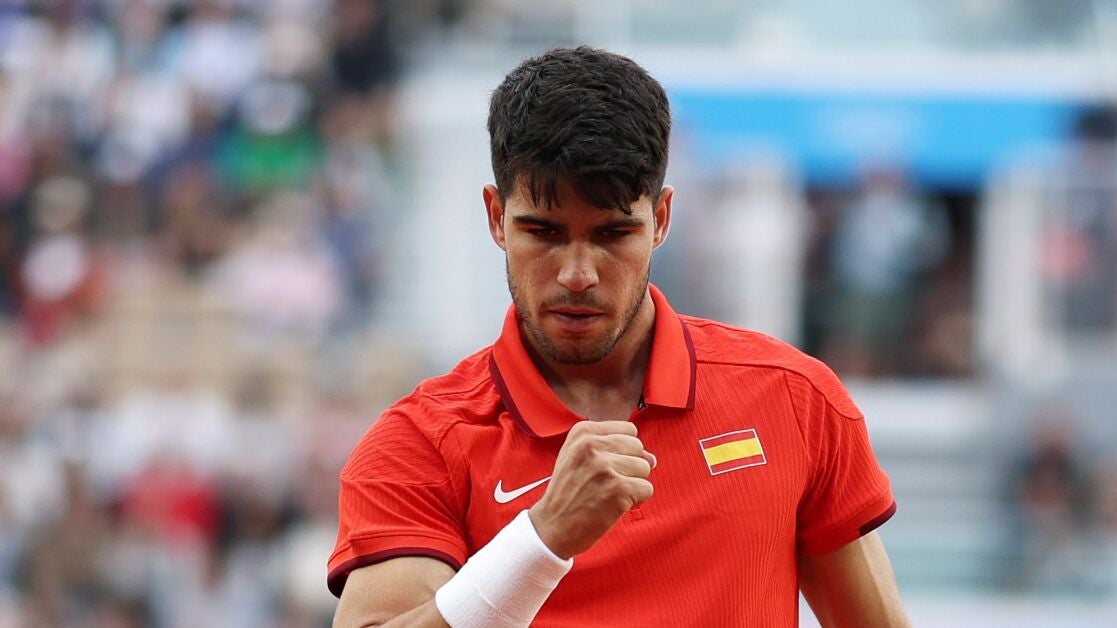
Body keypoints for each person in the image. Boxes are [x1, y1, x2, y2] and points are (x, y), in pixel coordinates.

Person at [328, 47, 909, 627]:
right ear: (495, 217)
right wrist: (541, 541)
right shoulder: (418, 444)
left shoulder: (794, 399)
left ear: (661, 220)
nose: (577, 274)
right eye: (544, 232)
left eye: (612, 234)